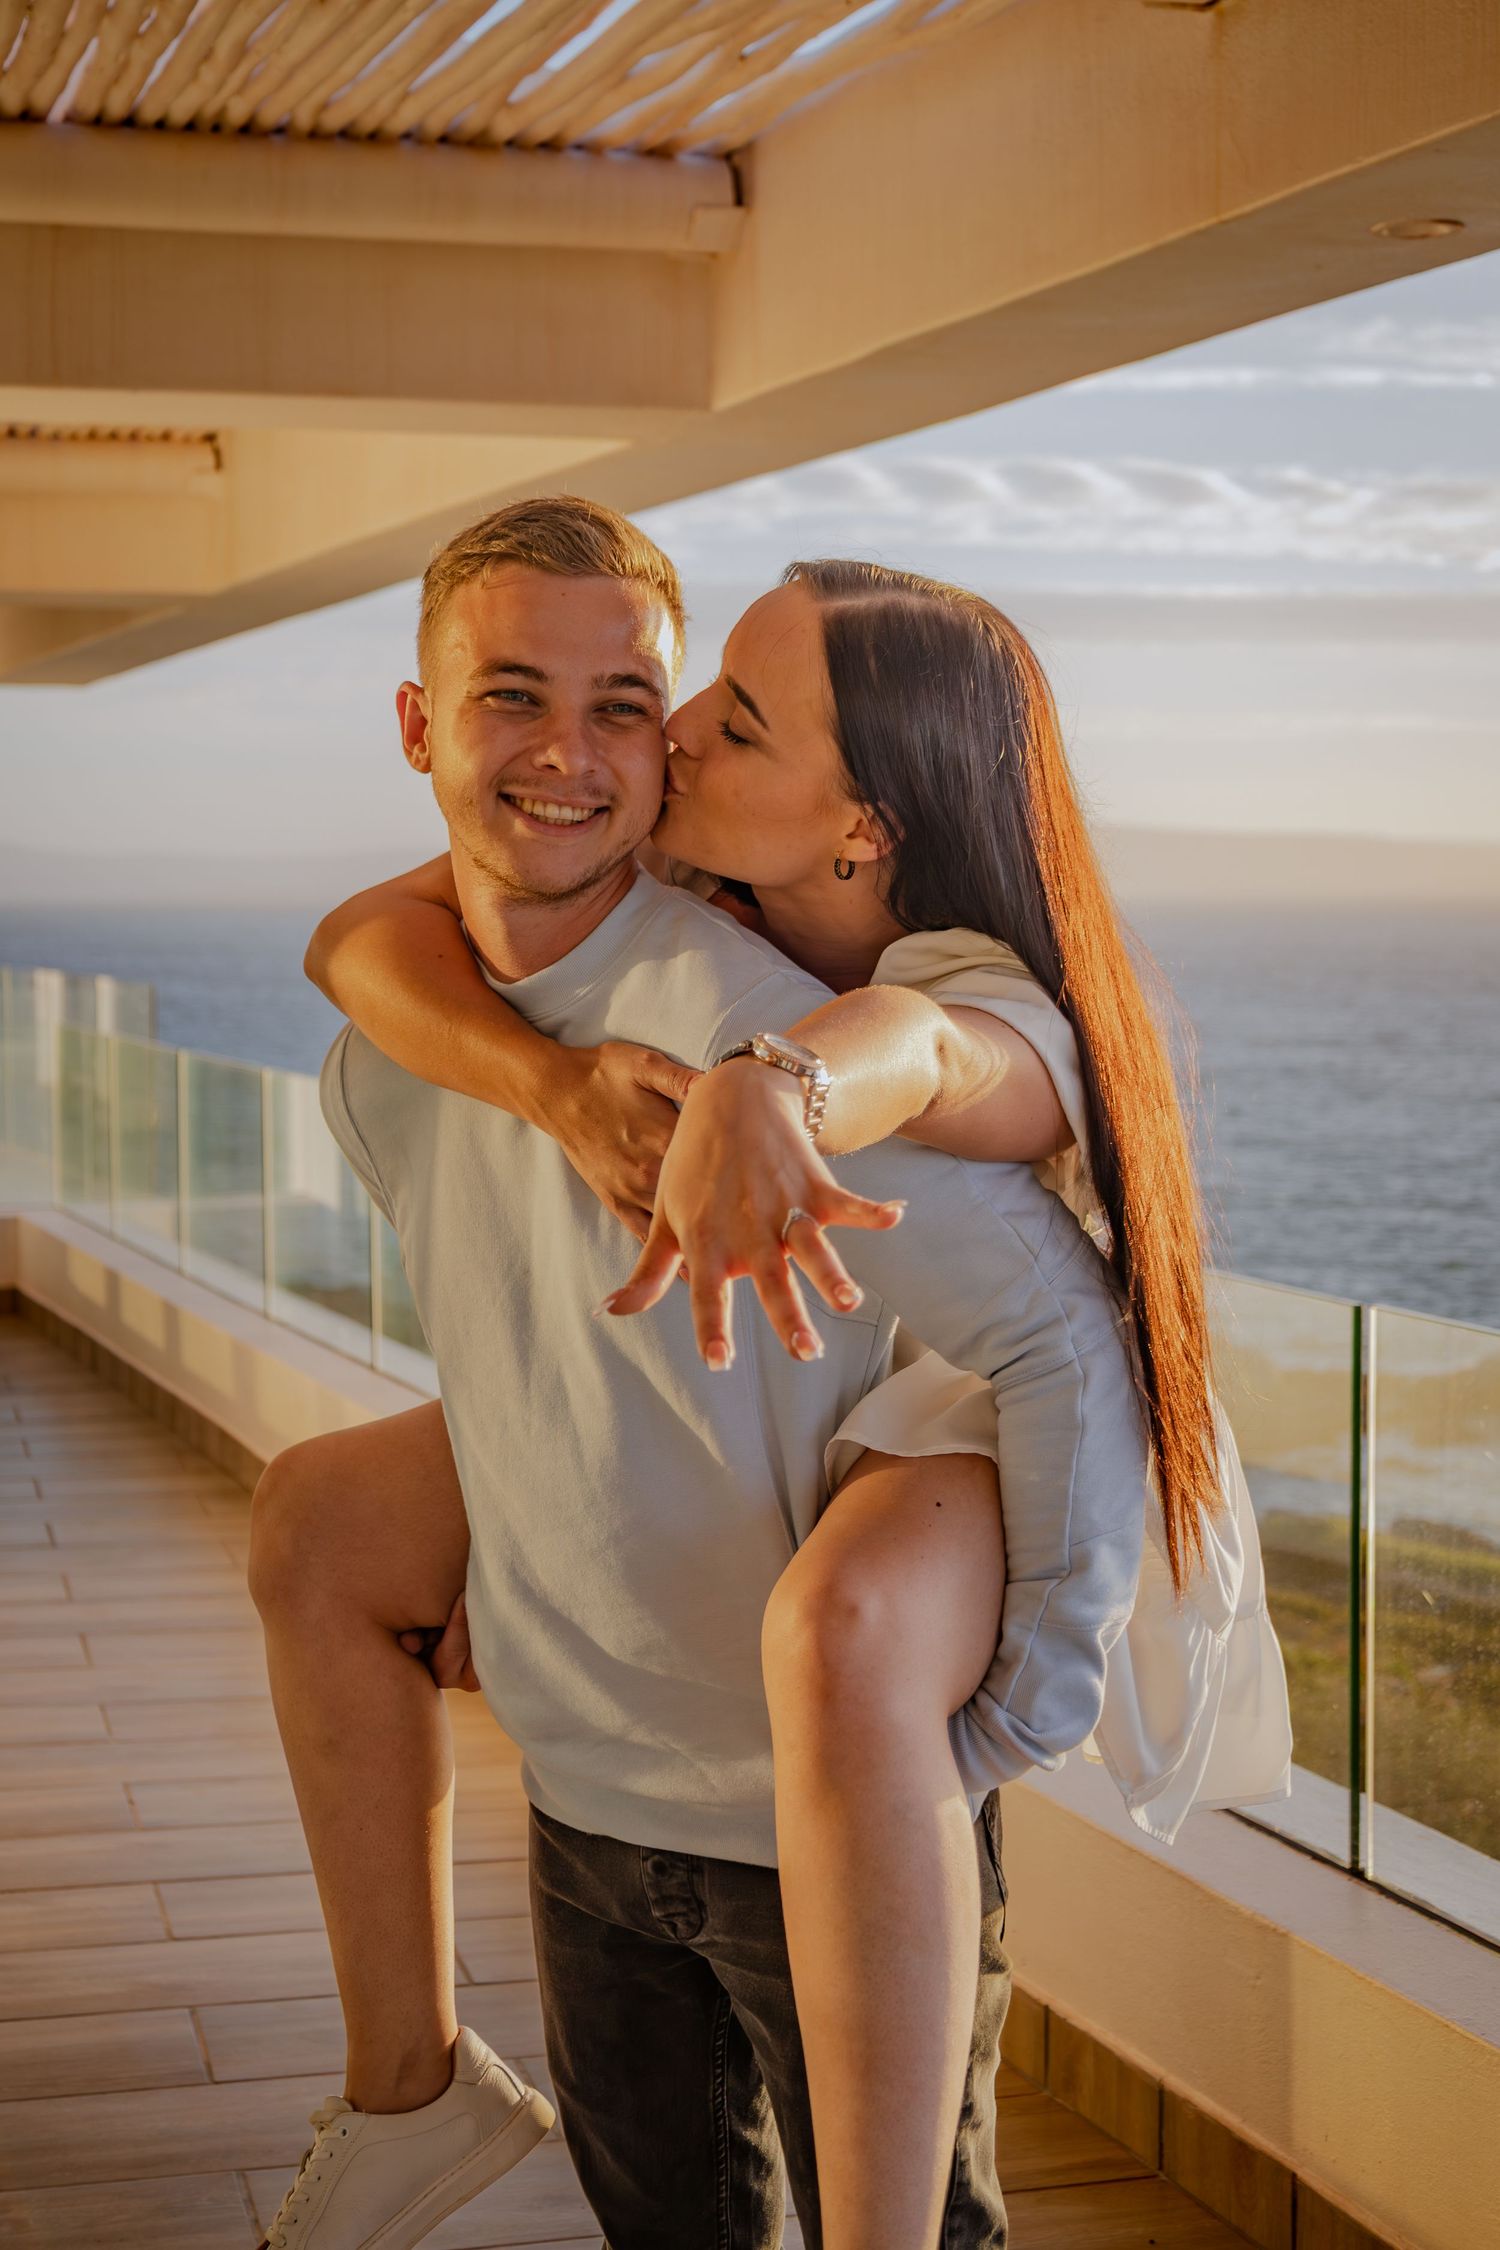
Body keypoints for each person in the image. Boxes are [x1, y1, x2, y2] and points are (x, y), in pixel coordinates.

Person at [245, 498, 1258, 2250]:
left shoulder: (891, 1013)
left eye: (667, 708)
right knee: (324, 1516)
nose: (619, 746)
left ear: (862, 821)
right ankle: (405, 2088)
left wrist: (1024, 1693)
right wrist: (547, 1101)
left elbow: (983, 1170)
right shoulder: (481, 1004)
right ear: (419, 725)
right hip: (593, 1798)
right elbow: (360, 936)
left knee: (844, 1653)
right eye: (518, 699)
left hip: (885, 1670)